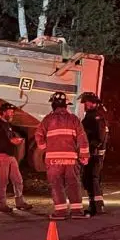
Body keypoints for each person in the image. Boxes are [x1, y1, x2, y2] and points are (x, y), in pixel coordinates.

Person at [35, 92, 90, 220]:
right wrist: (84, 156)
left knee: (56, 184)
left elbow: (38, 136)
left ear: (53, 105)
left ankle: (60, 212)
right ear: (66, 105)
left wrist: (45, 147)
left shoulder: (48, 119)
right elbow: (82, 139)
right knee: (73, 184)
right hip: (71, 159)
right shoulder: (74, 119)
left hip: (53, 160)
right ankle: (77, 211)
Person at [0, 103, 33, 213]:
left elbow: (8, 138)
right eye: (10, 111)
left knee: (18, 179)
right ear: (4, 112)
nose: (12, 113)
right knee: (3, 181)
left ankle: (19, 202)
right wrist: (13, 141)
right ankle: (2, 204)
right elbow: (0, 141)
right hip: (3, 155)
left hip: (10, 156)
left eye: (12, 111)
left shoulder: (7, 124)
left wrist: (14, 140)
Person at [79, 92, 110, 216]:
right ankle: (95, 205)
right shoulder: (94, 115)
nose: (85, 105)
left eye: (86, 102)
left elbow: (99, 137)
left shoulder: (96, 117)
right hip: (94, 153)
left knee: (92, 179)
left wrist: (91, 148)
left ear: (93, 102)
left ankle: (96, 207)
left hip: (95, 154)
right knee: (89, 179)